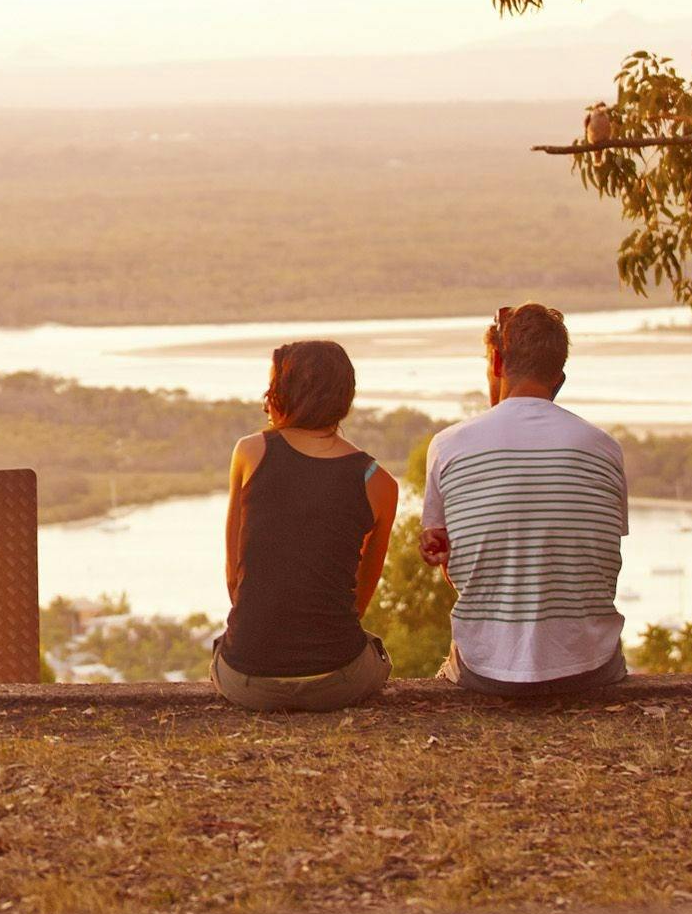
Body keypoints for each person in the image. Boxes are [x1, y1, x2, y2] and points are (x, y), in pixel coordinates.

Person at [421, 303, 629, 695]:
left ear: (497, 361)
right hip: (591, 667)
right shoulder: (605, 448)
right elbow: (600, 559)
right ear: (560, 378)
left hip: (487, 671)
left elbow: (455, 569)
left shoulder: (448, 446)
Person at [212, 340, 397, 712]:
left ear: (284, 394)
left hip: (247, 681)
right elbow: (359, 599)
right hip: (338, 682)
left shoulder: (250, 453)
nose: (266, 399)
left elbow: (235, 581)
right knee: (374, 651)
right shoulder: (380, 483)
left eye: (272, 387)